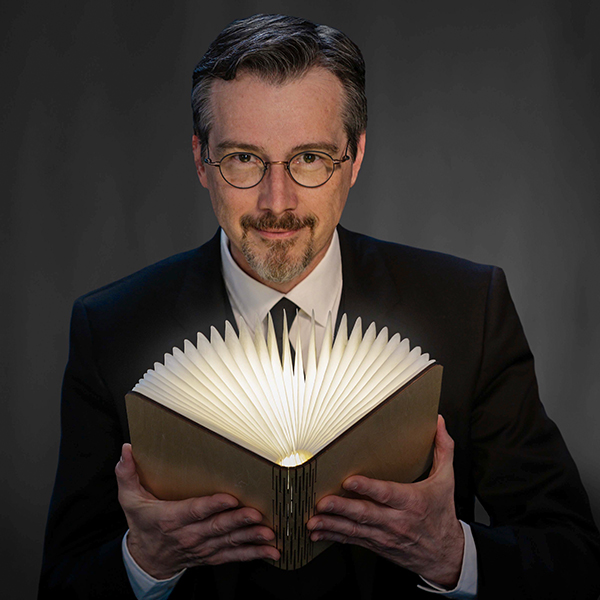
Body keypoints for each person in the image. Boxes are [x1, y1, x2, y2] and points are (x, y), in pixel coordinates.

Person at [39, 14, 600, 600]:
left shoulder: (468, 310)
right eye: (243, 159)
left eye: (309, 158)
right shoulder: (110, 329)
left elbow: (575, 558)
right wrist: (144, 562)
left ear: (354, 159)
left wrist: (452, 555)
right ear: (201, 161)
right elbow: (61, 584)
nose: (276, 202)